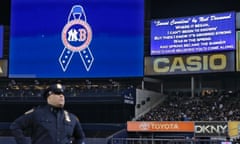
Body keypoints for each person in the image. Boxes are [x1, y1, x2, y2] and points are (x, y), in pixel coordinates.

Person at [10, 83, 86, 144]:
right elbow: (15, 126)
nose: (61, 96)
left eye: (62, 94)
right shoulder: (37, 113)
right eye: (57, 93)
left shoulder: (72, 118)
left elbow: (80, 137)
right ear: (48, 97)